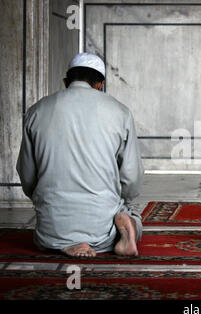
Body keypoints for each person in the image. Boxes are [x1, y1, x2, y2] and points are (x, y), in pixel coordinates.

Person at [16, 53, 144, 258]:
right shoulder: (120, 112)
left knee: (46, 235)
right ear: (100, 84)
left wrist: (42, 198)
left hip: (52, 229)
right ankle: (127, 231)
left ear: (66, 82)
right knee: (132, 213)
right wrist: (124, 200)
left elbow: (27, 174)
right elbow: (131, 177)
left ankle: (64, 241)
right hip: (102, 227)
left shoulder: (36, 111)